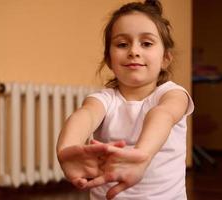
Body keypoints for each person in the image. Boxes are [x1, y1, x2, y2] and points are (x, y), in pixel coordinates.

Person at [57, 0, 194, 199]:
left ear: (165, 58)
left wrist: (143, 154)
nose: (134, 51)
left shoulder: (173, 94)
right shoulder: (103, 99)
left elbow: (162, 114)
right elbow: (85, 115)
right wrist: (67, 147)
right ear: (109, 60)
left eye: (146, 43)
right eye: (122, 44)